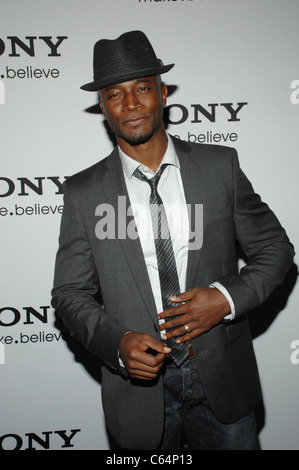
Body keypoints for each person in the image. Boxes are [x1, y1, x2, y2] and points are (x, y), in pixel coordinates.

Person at [51, 30, 294, 450]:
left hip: (224, 379)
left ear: (162, 93)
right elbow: (70, 293)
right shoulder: (83, 192)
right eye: (114, 94)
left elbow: (276, 250)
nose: (130, 104)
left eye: (143, 88)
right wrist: (118, 343)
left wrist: (225, 299)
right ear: (103, 107)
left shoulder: (219, 167)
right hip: (139, 395)